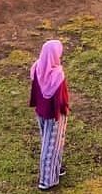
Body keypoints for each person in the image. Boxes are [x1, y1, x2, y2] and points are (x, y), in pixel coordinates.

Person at [30, 39, 69, 190]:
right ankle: (47, 181)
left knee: (48, 141)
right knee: (52, 145)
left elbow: (34, 90)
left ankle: (56, 169)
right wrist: (63, 111)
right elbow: (62, 97)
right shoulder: (57, 74)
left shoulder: (37, 67)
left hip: (41, 112)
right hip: (54, 114)